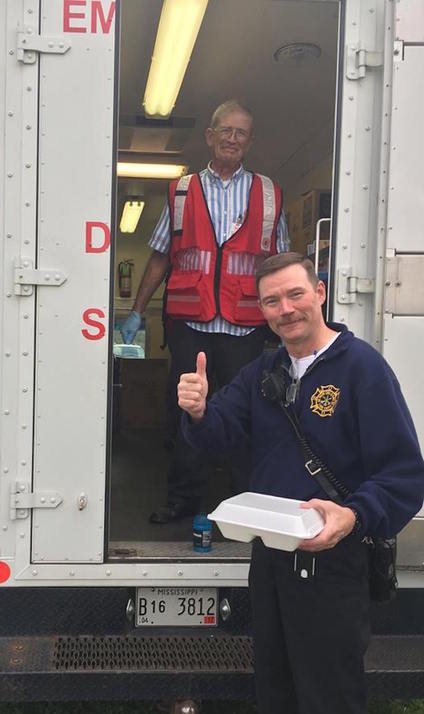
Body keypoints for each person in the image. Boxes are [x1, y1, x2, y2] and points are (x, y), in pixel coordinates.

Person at [178, 252, 424, 714]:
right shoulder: (264, 369)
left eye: (294, 294)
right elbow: (222, 430)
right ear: (262, 311)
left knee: (330, 706)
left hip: (333, 565)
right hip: (272, 561)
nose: (285, 309)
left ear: (320, 292)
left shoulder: (363, 369)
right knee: (277, 693)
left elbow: (404, 476)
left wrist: (353, 516)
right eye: (272, 301)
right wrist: (200, 411)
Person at [121, 100, 291, 523]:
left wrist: (289, 320)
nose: (233, 139)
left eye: (241, 133)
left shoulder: (268, 194)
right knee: (187, 410)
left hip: (245, 329)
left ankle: (244, 504)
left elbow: (280, 264)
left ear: (250, 142)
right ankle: (182, 500)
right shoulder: (181, 190)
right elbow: (162, 255)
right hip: (190, 325)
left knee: (244, 413)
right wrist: (137, 309)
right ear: (209, 136)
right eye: (225, 131)